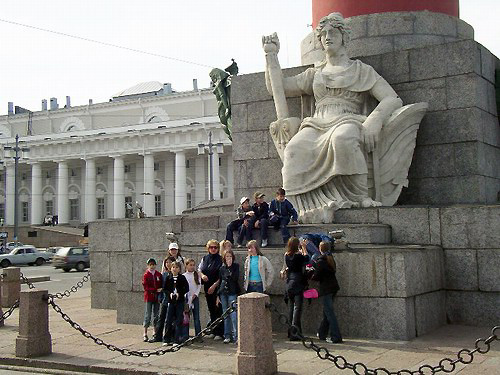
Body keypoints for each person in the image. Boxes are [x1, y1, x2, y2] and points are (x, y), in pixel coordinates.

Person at [263, 13, 404, 223]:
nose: (327, 37)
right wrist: (271, 57)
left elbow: (392, 99)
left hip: (348, 119)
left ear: (344, 37)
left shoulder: (361, 70)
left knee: (343, 139)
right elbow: (278, 87)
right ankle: (300, 206)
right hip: (317, 123)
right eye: (323, 34)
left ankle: (359, 198)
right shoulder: (315, 73)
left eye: (333, 32)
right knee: (293, 150)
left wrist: (375, 119)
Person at [311, 241, 342, 344]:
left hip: (326, 289)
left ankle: (336, 336)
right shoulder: (330, 259)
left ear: (320, 249)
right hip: (333, 287)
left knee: (329, 313)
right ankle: (322, 333)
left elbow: (317, 276)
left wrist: (311, 272)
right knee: (327, 312)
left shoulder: (321, 261)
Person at [198, 239, 224, 340]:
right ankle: (213, 329)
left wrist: (214, 285)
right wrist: (203, 275)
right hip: (207, 286)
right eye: (211, 247)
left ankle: (219, 332)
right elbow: (199, 269)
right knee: (211, 309)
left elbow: (222, 275)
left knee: (218, 310)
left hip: (217, 287)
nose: (213, 249)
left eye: (215, 247)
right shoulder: (205, 258)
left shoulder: (221, 259)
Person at [284, 237, 309, 341]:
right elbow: (306, 258)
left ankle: (291, 332)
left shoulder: (286, 255)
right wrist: (304, 247)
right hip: (298, 282)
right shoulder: (298, 256)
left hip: (290, 282)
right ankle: (295, 333)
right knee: (297, 308)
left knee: (291, 308)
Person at [162, 261, 189, 345]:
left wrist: (179, 293)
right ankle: (166, 339)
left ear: (179, 269)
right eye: (173, 267)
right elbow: (165, 289)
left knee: (178, 320)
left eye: (177, 267)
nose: (175, 269)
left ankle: (176, 339)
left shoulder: (182, 278)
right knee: (168, 320)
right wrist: (169, 293)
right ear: (171, 268)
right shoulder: (168, 277)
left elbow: (186, 288)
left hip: (179, 301)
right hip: (170, 301)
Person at [217, 249, 240, 343]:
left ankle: (236, 336)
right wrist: (217, 295)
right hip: (223, 292)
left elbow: (234, 278)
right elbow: (220, 281)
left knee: (233, 315)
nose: (228, 258)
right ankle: (227, 335)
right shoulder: (222, 268)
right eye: (227, 256)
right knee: (225, 314)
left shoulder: (235, 267)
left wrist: (230, 269)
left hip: (232, 292)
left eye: (230, 256)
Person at [150, 256, 175, 343]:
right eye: (166, 262)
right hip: (164, 299)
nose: (168, 264)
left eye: (170, 262)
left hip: (171, 299)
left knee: (170, 319)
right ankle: (158, 336)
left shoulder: (174, 274)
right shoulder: (164, 274)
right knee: (161, 318)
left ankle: (169, 336)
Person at [142, 258, 163, 342]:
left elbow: (161, 284)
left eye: (153, 264)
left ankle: (155, 331)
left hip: (156, 297)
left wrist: (160, 289)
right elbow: (145, 286)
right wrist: (154, 290)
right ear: (148, 265)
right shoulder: (146, 275)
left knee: (156, 315)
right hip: (149, 297)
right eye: (150, 265)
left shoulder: (158, 274)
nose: (152, 266)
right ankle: (145, 333)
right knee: (148, 315)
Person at [183, 258, 202, 340]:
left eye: (193, 265)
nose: (192, 267)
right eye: (190, 265)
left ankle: (198, 335)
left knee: (196, 317)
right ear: (186, 266)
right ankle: (185, 335)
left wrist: (195, 294)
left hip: (195, 298)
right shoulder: (184, 276)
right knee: (186, 317)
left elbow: (199, 286)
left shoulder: (197, 275)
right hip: (187, 299)